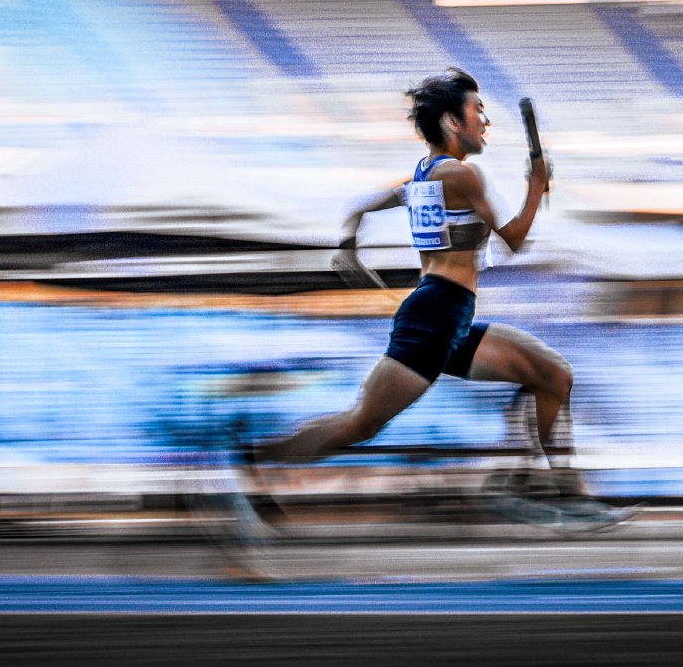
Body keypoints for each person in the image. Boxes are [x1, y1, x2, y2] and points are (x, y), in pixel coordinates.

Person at [249, 68, 586, 498]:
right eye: (477, 110)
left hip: (446, 316)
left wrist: (350, 248)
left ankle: (558, 486)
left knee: (551, 374)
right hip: (438, 315)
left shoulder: (426, 173)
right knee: (359, 424)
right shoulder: (464, 177)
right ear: (451, 122)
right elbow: (515, 240)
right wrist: (536, 188)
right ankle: (253, 461)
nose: (485, 121)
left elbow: (364, 208)